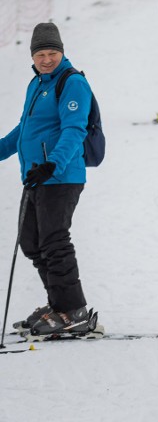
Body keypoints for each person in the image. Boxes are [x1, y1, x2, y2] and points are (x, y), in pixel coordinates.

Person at [0, 23, 95, 335]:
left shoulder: (72, 83)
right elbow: (24, 130)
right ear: (33, 55)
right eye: (41, 53)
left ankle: (74, 311)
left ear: (62, 51)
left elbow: (74, 129)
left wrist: (52, 164)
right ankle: (59, 304)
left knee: (54, 240)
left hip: (61, 176)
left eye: (53, 52)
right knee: (32, 243)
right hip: (36, 177)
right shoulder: (37, 84)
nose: (47, 58)